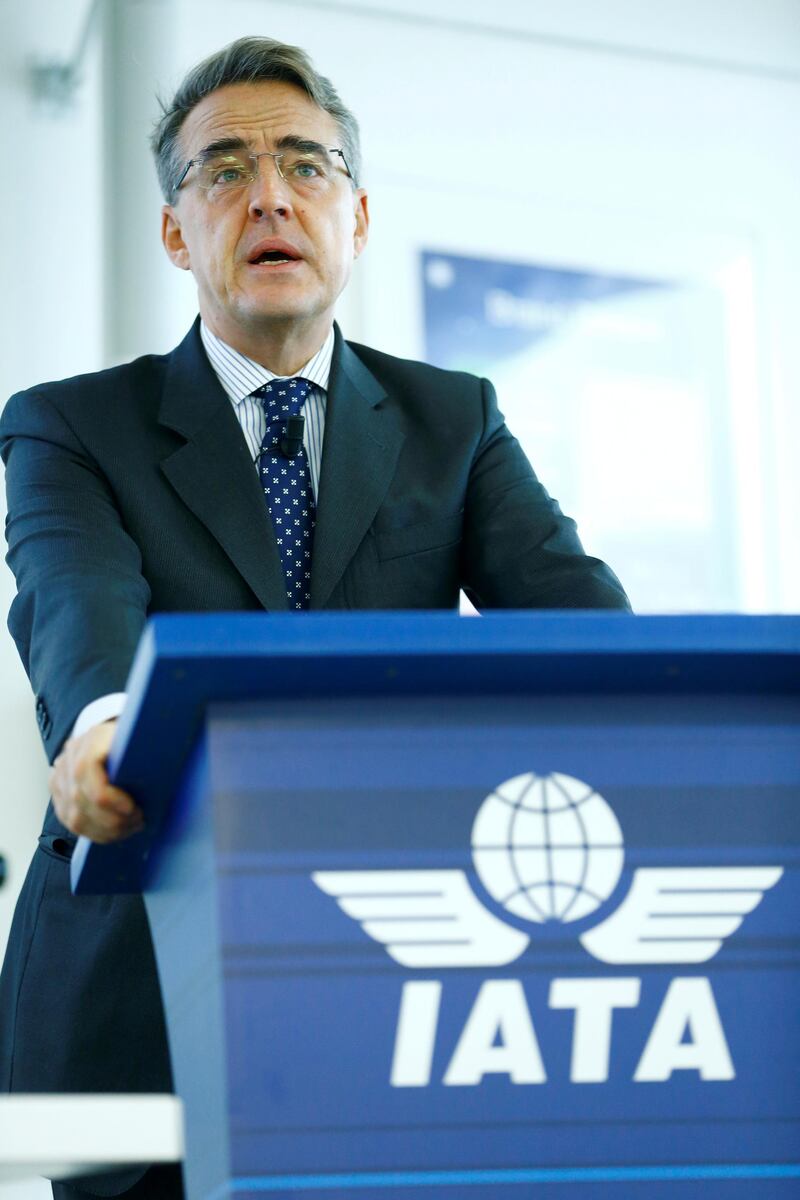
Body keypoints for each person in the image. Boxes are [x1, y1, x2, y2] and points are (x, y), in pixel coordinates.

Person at [0, 36, 630, 1200]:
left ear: (356, 213)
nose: (271, 193)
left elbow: (588, 632)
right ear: (176, 231)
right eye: (225, 170)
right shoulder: (69, 426)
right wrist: (100, 734)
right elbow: (78, 610)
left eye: (306, 162)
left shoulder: (455, 421)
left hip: (395, 979)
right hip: (137, 980)